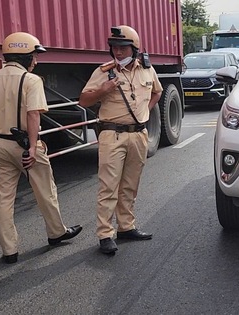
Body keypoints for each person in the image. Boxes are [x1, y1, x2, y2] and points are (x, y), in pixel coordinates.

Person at [0, 32, 82, 264]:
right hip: (25, 145)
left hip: (0, 144)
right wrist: (33, 147)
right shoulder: (31, 80)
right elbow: (33, 114)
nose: (36, 60)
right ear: (23, 56)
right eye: (34, 55)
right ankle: (56, 233)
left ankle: (9, 250)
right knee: (45, 190)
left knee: (4, 198)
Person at [79, 25, 163, 255]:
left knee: (130, 185)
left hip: (138, 134)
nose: (118, 52)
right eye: (115, 48)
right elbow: (84, 101)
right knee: (109, 186)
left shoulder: (147, 70)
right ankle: (105, 234)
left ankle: (126, 226)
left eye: (123, 48)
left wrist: (144, 112)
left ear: (134, 49)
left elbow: (157, 91)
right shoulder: (104, 72)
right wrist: (103, 90)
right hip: (112, 135)